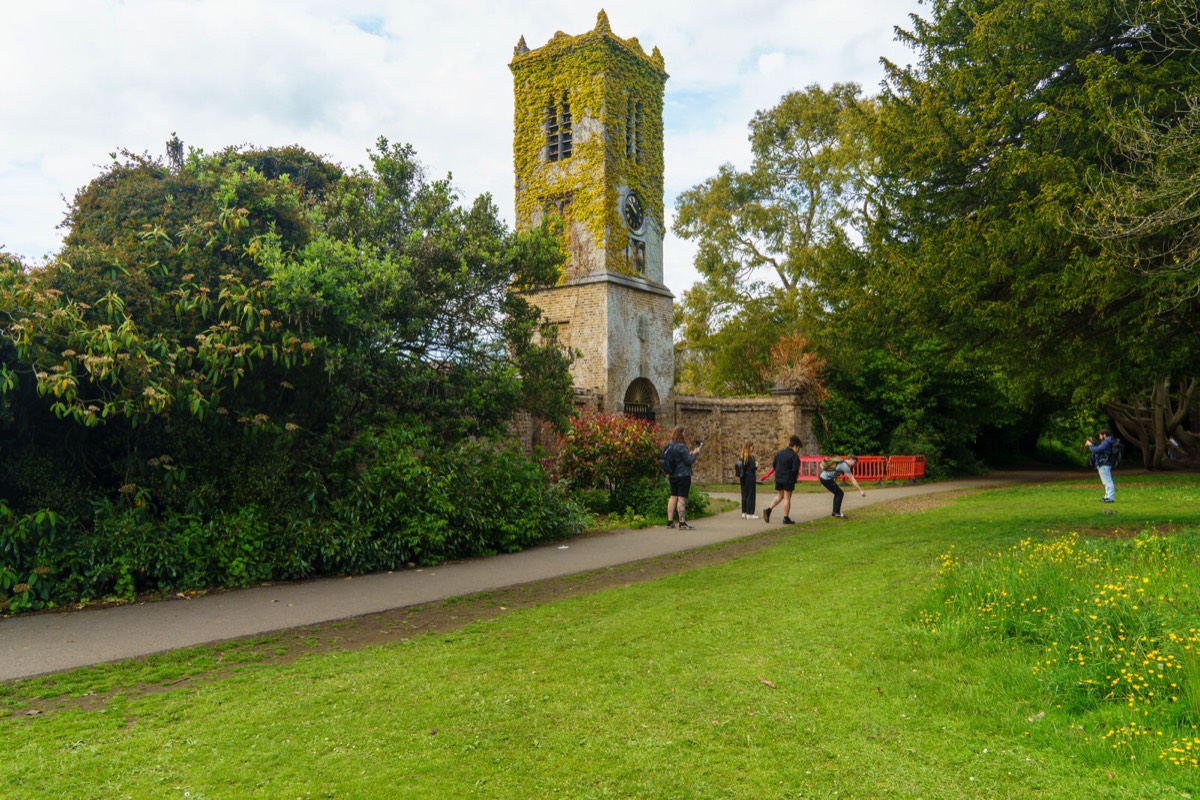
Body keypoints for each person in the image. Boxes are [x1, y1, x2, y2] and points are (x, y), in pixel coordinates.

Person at [664, 425, 702, 529]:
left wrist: (689, 454)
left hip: (672, 475)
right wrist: (695, 453)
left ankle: (670, 521)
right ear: (681, 433)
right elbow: (689, 461)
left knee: (673, 496)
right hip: (683, 475)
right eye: (684, 432)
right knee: (681, 498)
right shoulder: (681, 446)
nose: (685, 434)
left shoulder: (669, 444)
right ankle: (682, 522)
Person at [759, 435, 802, 525]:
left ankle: (768, 509)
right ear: (795, 446)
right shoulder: (794, 457)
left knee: (780, 496)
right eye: (798, 448)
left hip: (778, 478)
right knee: (787, 498)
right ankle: (786, 518)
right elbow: (795, 470)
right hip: (788, 479)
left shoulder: (779, 453)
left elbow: (774, 465)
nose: (798, 451)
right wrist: (795, 476)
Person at [1085, 429, 1116, 503]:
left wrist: (1090, 445)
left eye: (1100, 435)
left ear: (1104, 435)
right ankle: (1107, 496)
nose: (1099, 437)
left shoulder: (1107, 442)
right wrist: (1092, 443)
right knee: (1106, 481)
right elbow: (1099, 449)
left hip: (1104, 463)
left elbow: (1097, 450)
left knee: (1108, 481)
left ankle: (1110, 497)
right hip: (1104, 463)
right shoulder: (1107, 442)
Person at [736, 441, 760, 519]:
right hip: (750, 477)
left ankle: (744, 512)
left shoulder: (742, 457)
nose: (753, 448)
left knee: (744, 495)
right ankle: (750, 513)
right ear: (749, 447)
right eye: (752, 447)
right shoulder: (749, 457)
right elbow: (752, 468)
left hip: (743, 478)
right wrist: (756, 465)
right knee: (751, 495)